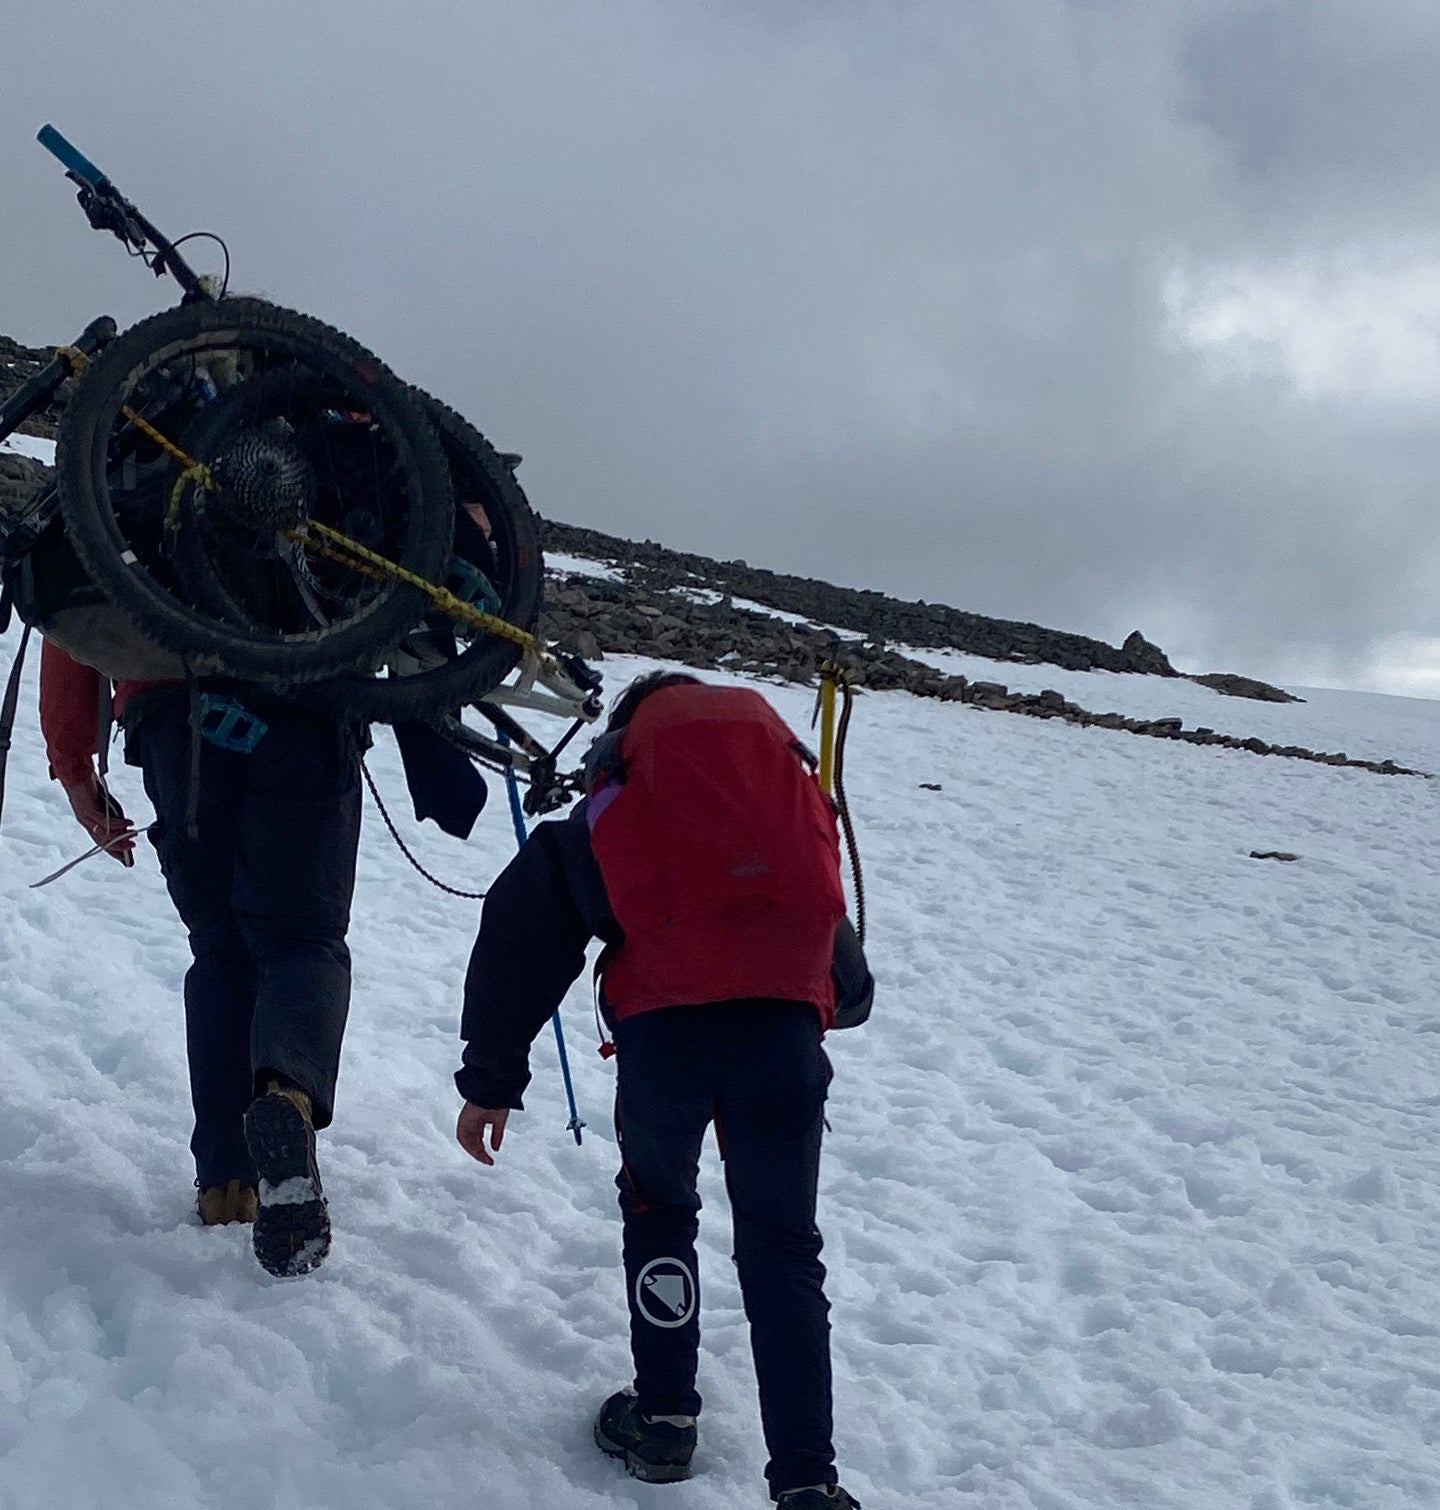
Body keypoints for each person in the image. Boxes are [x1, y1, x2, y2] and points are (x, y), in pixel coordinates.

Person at [455, 671, 871, 1510]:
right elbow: (850, 988)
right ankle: (807, 1481)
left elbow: (524, 933)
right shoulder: (786, 800)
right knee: (784, 1249)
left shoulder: (619, 801)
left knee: (658, 1213)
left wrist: (491, 1081)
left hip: (665, 1047)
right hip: (783, 1049)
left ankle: (666, 1421)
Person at [40, 639, 361, 1277]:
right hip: (306, 697)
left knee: (221, 950)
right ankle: (286, 1093)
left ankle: (227, 1182)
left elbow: (74, 615)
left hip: (171, 714)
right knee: (302, 937)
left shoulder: (142, 532)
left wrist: (75, 766)